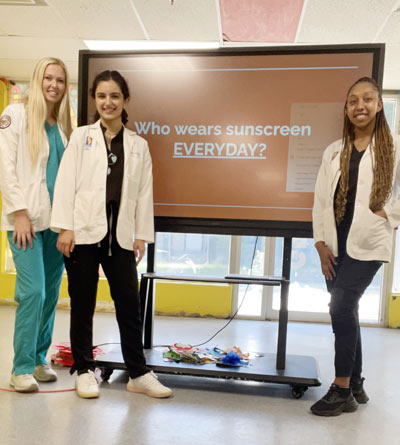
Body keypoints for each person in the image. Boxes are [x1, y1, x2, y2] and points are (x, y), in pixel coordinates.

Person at [51, 70, 172, 399]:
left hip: (120, 238)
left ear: (125, 100)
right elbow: (65, 184)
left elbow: (144, 194)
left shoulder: (138, 145)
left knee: (129, 304)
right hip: (83, 234)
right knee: (83, 304)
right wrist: (65, 226)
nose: (108, 102)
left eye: (115, 96)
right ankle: (84, 369)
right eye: (102, 96)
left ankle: (137, 372)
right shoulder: (81, 138)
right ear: (95, 99)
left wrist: (141, 235)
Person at [311, 77, 400, 416]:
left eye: (367, 99)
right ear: (346, 109)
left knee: (341, 305)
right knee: (347, 310)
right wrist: (320, 243)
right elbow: (321, 201)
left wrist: (388, 213)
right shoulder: (334, 150)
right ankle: (357, 382)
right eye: (352, 101)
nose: (359, 106)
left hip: (370, 242)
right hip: (334, 244)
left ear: (379, 105)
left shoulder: (395, 146)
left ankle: (342, 388)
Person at [0, 57, 72, 392]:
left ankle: (40, 358)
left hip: (55, 225)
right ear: (37, 78)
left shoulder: (60, 124)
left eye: (60, 80)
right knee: (33, 292)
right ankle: (21, 368)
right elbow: (6, 167)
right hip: (25, 222)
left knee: (50, 294)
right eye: (48, 78)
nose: (54, 85)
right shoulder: (16, 114)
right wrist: (19, 213)